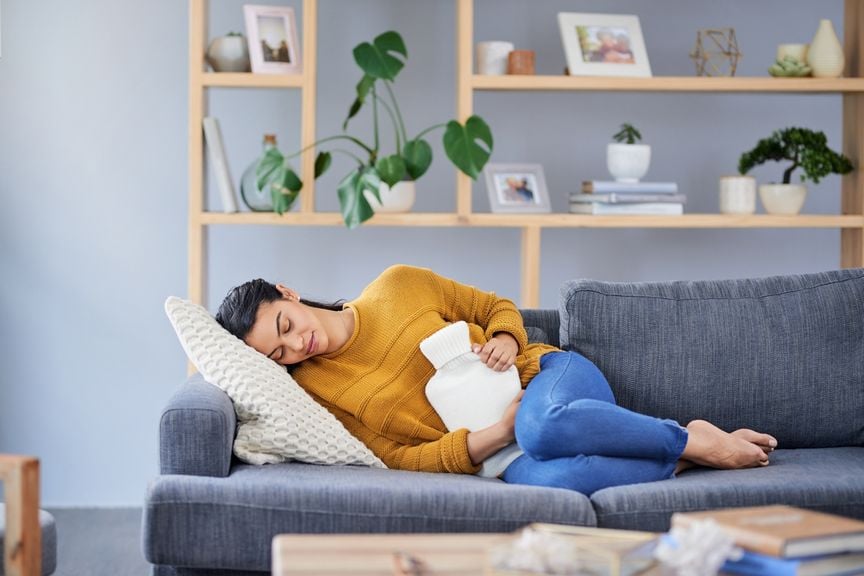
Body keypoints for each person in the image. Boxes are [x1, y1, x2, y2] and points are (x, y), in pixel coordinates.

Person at [215, 265, 776, 495]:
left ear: (287, 294)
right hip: (501, 453)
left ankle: (694, 441)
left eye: (285, 326)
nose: (296, 346)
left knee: (542, 427)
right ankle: (680, 455)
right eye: (279, 353)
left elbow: (492, 304)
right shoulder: (319, 390)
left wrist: (507, 340)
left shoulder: (397, 285)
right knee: (550, 482)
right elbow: (398, 458)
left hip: (548, 378)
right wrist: (494, 434)